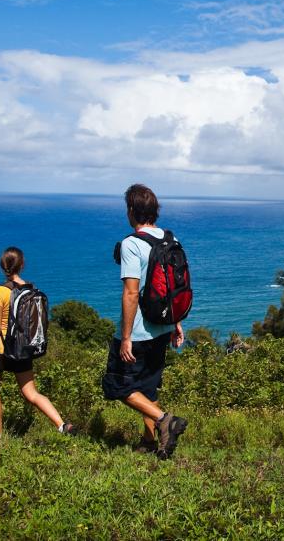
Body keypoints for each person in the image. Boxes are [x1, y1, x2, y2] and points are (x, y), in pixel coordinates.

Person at [102, 183, 188, 460]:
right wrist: (175, 322)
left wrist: (125, 337)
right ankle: (150, 441)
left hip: (138, 331)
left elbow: (130, 292)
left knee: (117, 386)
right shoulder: (169, 240)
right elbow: (173, 287)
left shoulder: (132, 243)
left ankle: (166, 421)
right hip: (162, 327)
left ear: (131, 211)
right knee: (148, 388)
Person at [0, 246, 75, 440]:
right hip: (21, 348)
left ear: (2, 266)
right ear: (22, 265)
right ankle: (61, 425)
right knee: (31, 393)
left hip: (0, 350)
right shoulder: (31, 290)